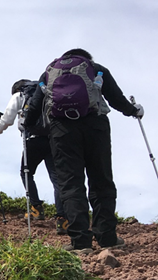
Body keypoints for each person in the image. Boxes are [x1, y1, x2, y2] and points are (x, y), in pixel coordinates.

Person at [25, 48, 144, 251]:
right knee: (101, 180)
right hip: (96, 126)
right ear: (86, 59)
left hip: (61, 131)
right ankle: (107, 238)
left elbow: (35, 105)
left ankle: (80, 242)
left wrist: (25, 123)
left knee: (71, 184)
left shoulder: (48, 73)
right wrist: (134, 111)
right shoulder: (97, 69)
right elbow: (116, 98)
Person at [0, 79, 66, 232]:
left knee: (26, 172)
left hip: (33, 139)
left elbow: (7, 119)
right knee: (56, 178)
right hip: (53, 138)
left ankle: (36, 208)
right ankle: (62, 219)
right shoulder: (44, 93)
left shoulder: (19, 95)